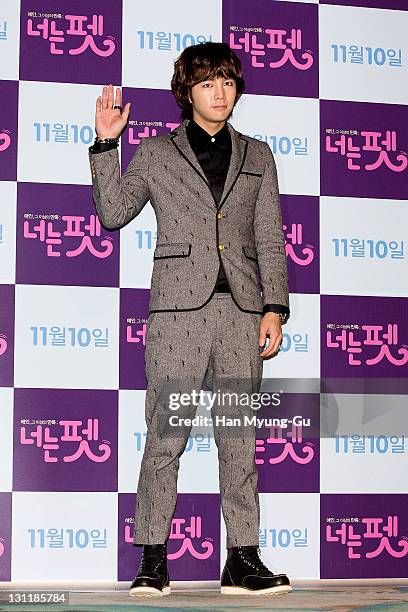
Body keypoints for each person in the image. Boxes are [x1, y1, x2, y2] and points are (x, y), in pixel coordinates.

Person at [89, 41, 291, 598]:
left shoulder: (259, 155)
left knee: (239, 439)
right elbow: (112, 213)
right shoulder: (155, 154)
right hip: (178, 315)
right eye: (207, 83)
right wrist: (108, 142)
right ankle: (153, 559)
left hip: (241, 314)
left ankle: (242, 559)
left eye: (227, 82)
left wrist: (274, 307)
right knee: (166, 435)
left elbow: (270, 238)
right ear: (188, 92)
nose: (219, 93)